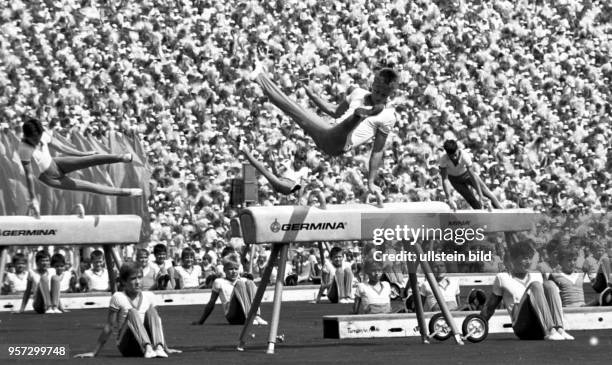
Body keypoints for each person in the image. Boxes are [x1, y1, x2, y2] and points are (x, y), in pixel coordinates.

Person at [252, 65, 399, 194]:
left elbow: (377, 150)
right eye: (377, 91)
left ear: (390, 94)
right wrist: (313, 96)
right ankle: (259, 77)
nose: (379, 96)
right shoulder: (358, 93)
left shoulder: (388, 116)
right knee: (292, 107)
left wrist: (371, 181)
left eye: (384, 95)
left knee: (344, 128)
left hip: (340, 144)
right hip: (325, 133)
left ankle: (359, 116)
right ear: (372, 85)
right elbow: (334, 111)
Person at [19, 118, 142, 218]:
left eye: (38, 137)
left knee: (92, 158)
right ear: (27, 136)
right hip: (49, 177)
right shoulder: (24, 149)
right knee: (90, 186)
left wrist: (82, 154)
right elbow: (29, 175)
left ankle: (121, 157)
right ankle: (127, 193)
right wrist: (33, 199)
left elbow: (62, 147)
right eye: (34, 139)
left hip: (55, 163)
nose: (37, 140)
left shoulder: (42, 135)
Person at [74, 263, 181, 358]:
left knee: (152, 311)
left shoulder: (150, 296)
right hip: (127, 345)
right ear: (124, 282)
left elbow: (156, 324)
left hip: (148, 341)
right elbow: (109, 326)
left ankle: (159, 347)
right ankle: (147, 348)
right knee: (132, 312)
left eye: (139, 277)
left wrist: (166, 347)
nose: (138, 282)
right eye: (133, 278)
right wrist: (94, 352)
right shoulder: (118, 297)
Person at [480, 240, 574, 340]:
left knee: (550, 284)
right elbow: (490, 307)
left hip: (539, 326)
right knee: (535, 285)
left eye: (529, 258)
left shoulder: (537, 274)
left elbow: (551, 296)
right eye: (524, 258)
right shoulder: (502, 277)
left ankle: (559, 329)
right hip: (522, 328)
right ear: (514, 260)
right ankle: (550, 330)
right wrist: (478, 325)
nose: (528, 262)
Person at [191, 254, 267, 325]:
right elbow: (211, 302)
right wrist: (201, 321)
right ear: (224, 270)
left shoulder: (244, 279)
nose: (234, 271)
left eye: (236, 269)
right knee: (240, 284)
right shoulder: (219, 281)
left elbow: (253, 296)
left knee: (249, 282)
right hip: (232, 315)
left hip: (243, 312)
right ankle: (249, 318)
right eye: (231, 269)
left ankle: (256, 316)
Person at [439, 140, 502, 210]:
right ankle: (480, 213)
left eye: (455, 155)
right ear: (447, 154)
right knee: (470, 199)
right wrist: (449, 198)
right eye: (451, 156)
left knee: (486, 193)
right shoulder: (443, 159)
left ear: (457, 149)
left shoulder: (465, 156)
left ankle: (501, 209)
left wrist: (480, 195)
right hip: (455, 180)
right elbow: (445, 179)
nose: (454, 158)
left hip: (467, 175)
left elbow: (472, 176)